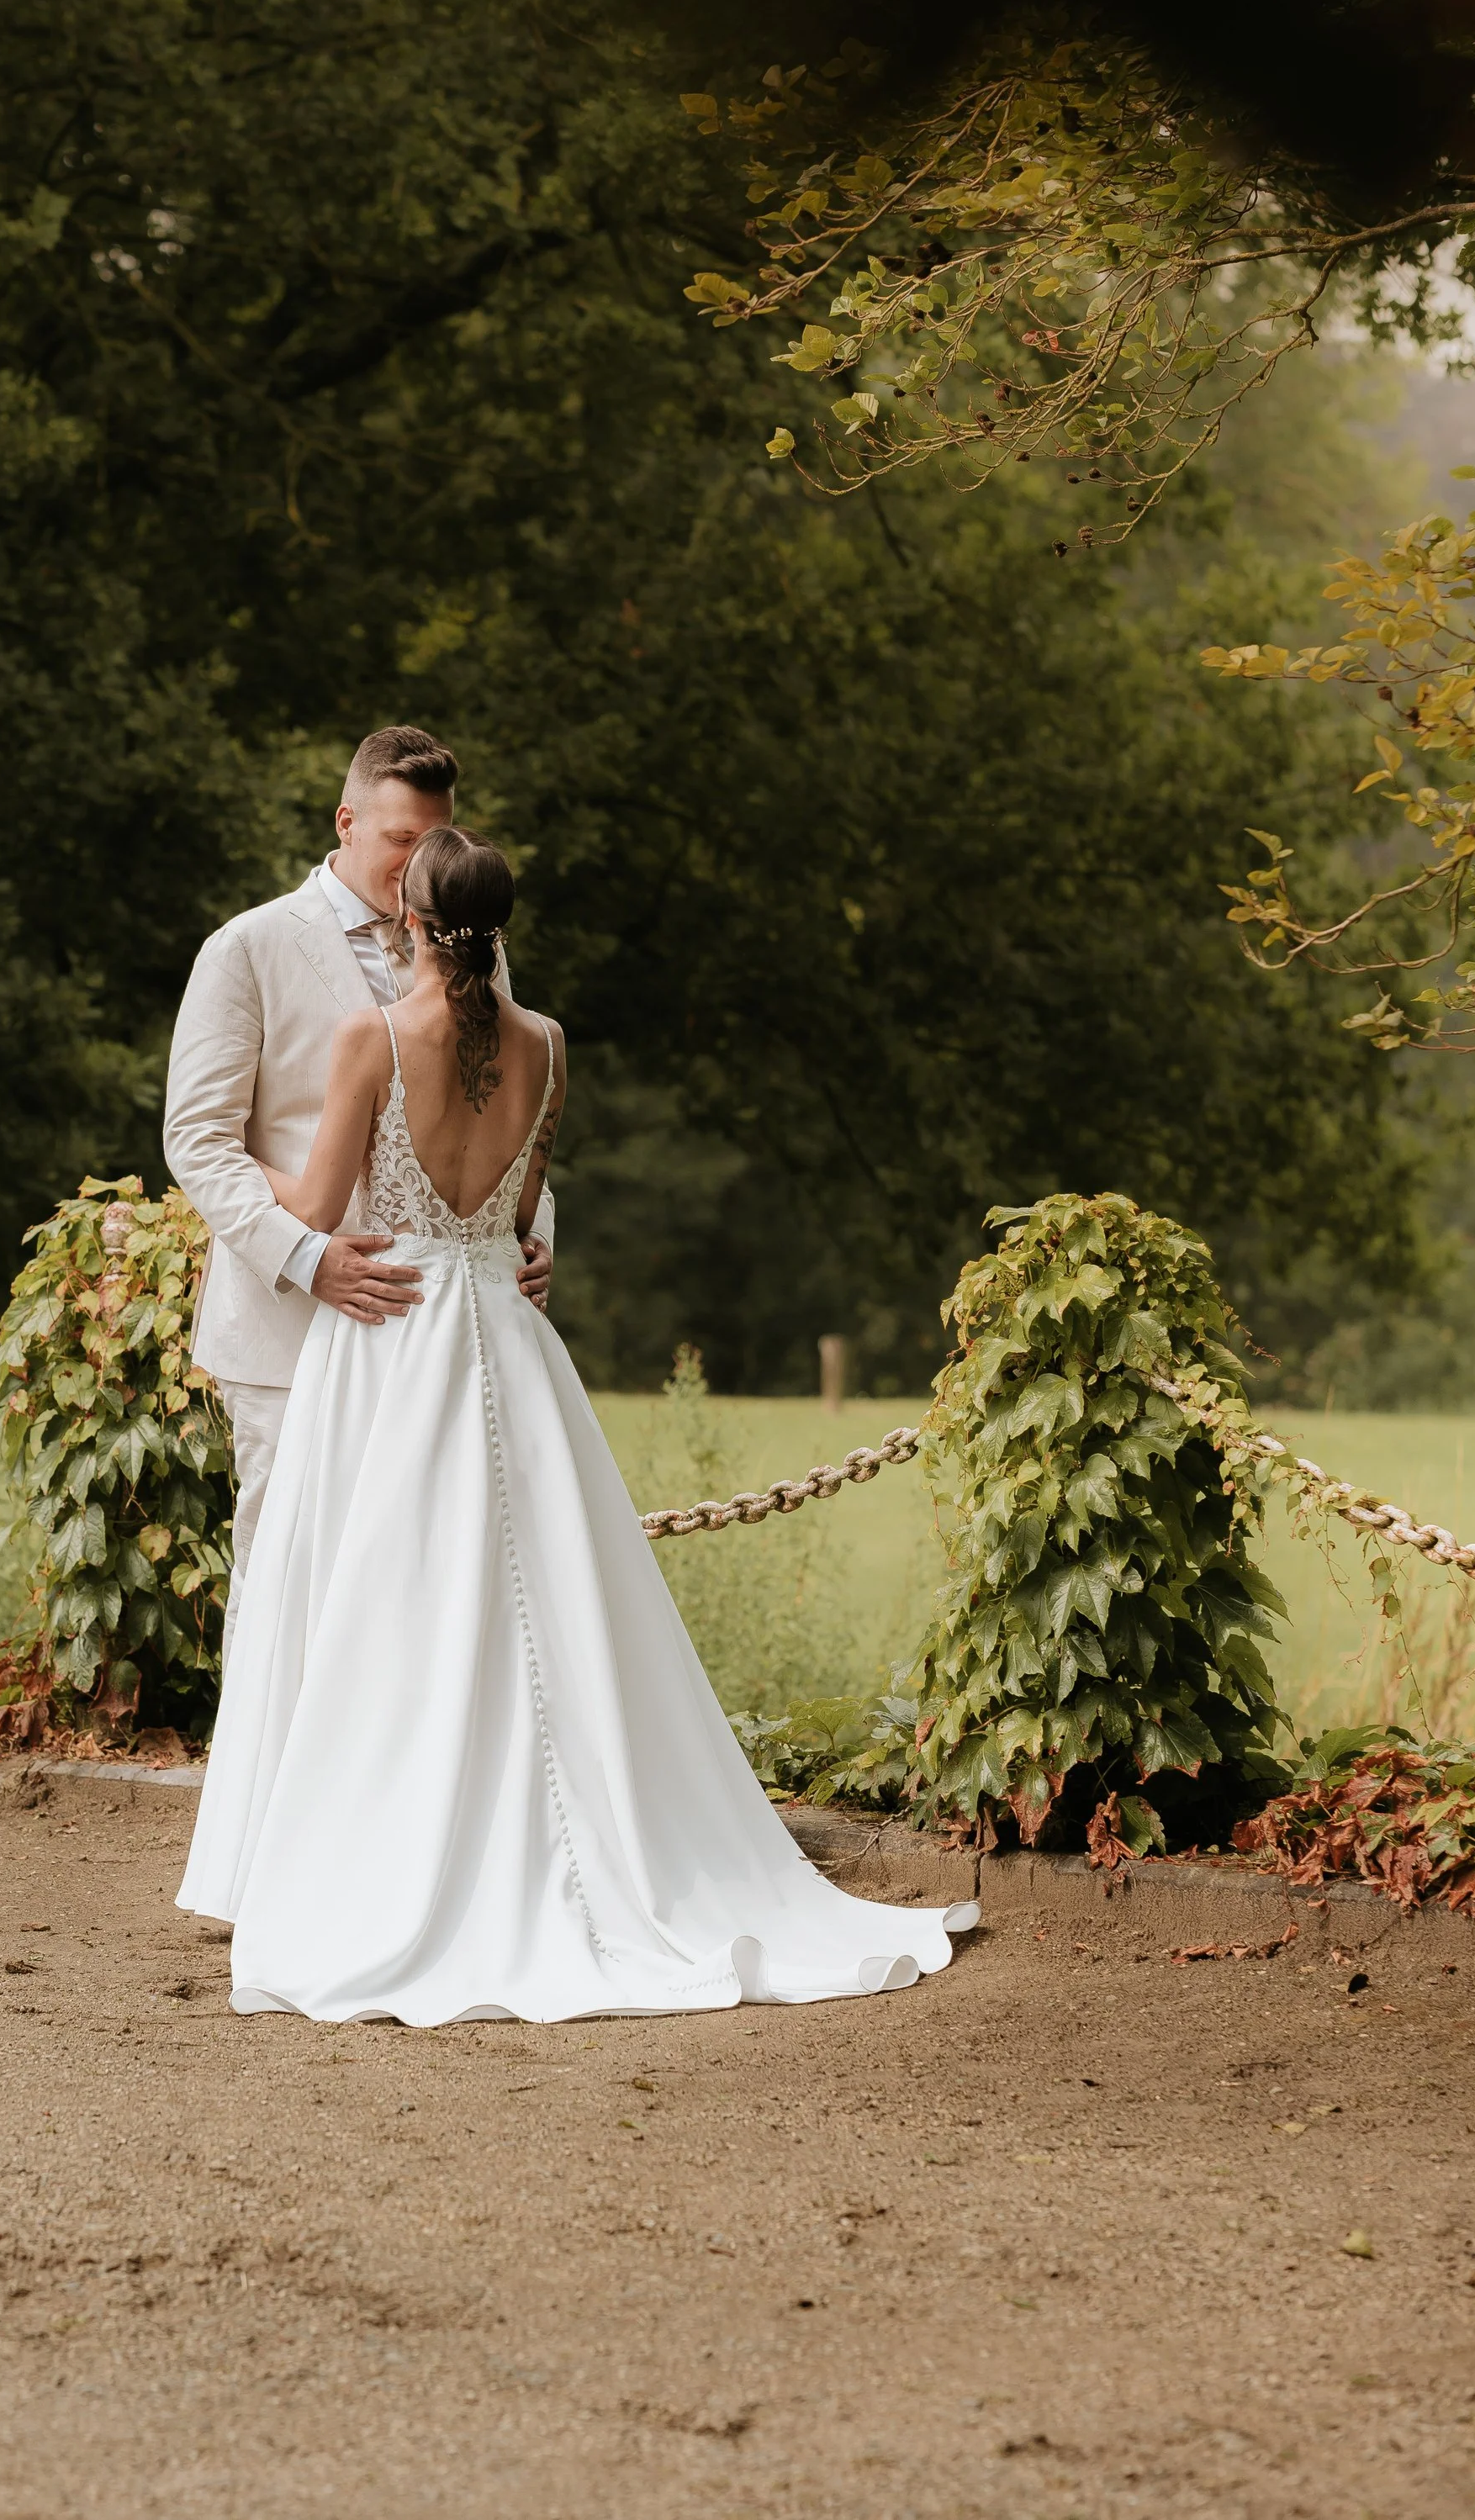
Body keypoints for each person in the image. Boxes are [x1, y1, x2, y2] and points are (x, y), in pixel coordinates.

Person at [174, 824, 978, 2024]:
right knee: (535, 1603)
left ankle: (391, 1855)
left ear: (408, 920)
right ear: (500, 926)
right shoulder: (549, 1047)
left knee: (385, 1607)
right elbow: (524, 1209)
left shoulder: (368, 1039)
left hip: (390, 1342)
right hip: (503, 1334)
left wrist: (253, 1170)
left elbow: (317, 1206)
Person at [161, 726, 552, 1646]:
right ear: (346, 820)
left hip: (445, 1333)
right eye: (402, 841)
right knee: (292, 1561)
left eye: (437, 839)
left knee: (430, 1577)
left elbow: (515, 1113)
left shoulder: (478, 955)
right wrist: (309, 1257)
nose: (423, 863)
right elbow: (198, 1138)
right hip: (292, 1328)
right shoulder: (247, 948)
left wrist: (527, 1245)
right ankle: (273, 1785)